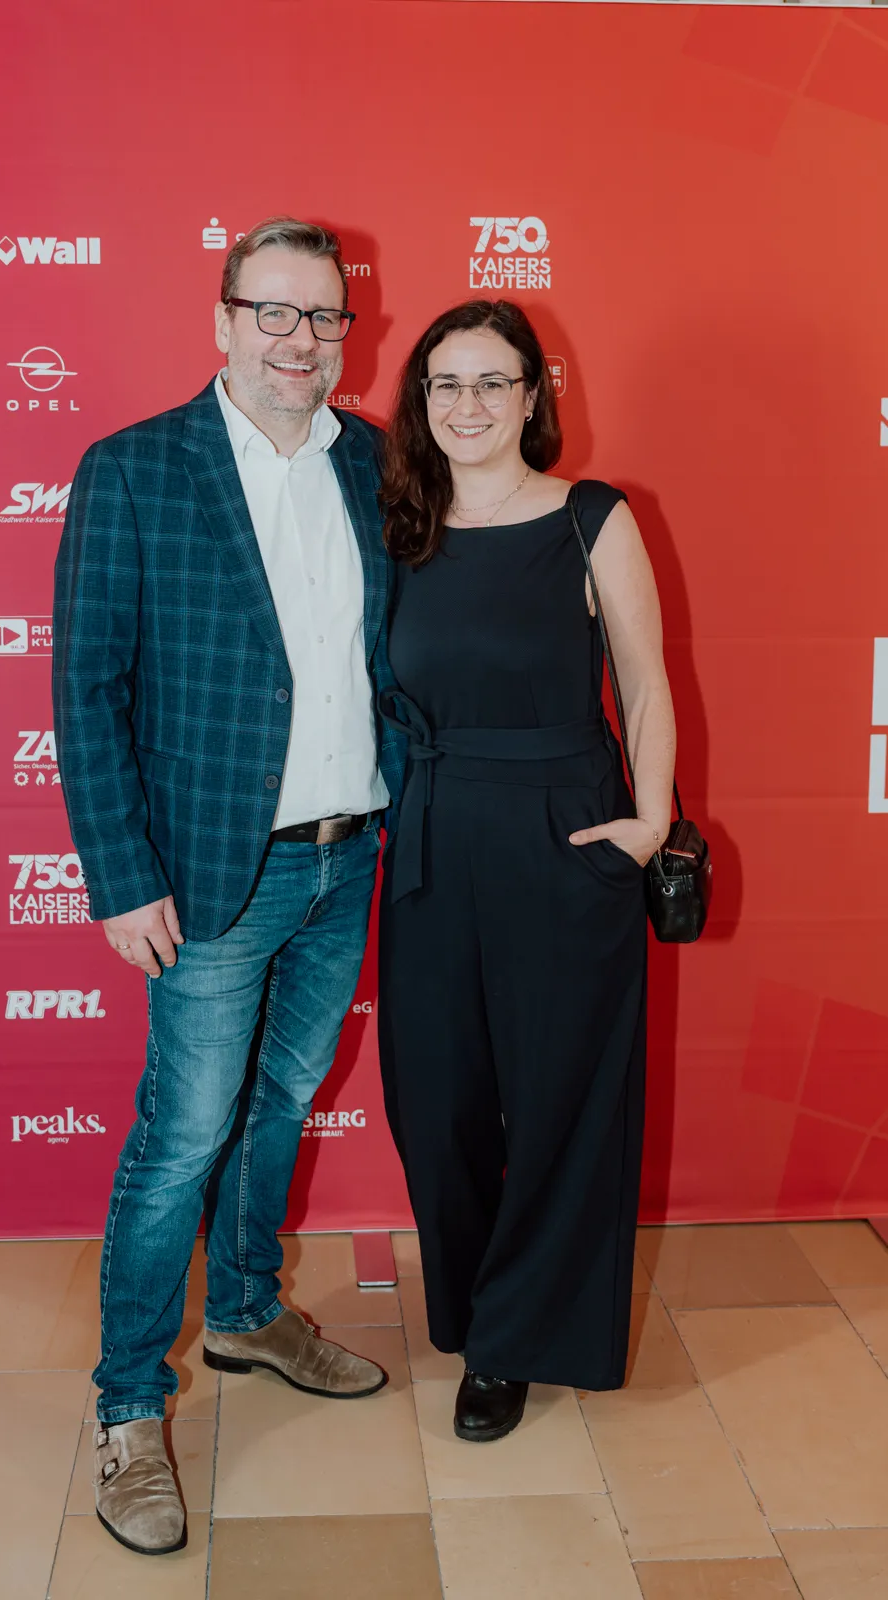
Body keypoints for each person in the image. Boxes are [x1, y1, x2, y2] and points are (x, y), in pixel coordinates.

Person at [52, 217, 404, 1555]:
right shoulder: (135, 468)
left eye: (323, 316)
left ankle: (248, 1311)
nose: (298, 340)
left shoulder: (373, 462)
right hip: (209, 873)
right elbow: (85, 688)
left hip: (347, 855)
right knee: (181, 1136)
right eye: (273, 311)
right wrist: (119, 874)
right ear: (222, 321)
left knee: (279, 1105)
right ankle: (129, 1406)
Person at [376, 299, 675, 1443]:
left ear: (530, 397)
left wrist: (649, 821)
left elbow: (642, 682)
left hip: (565, 831)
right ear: (420, 402)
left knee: (561, 1102)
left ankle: (510, 1343)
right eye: (445, 383)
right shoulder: (400, 526)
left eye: (491, 381)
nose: (467, 404)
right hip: (434, 835)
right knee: (435, 1100)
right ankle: (469, 1306)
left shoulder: (591, 518)